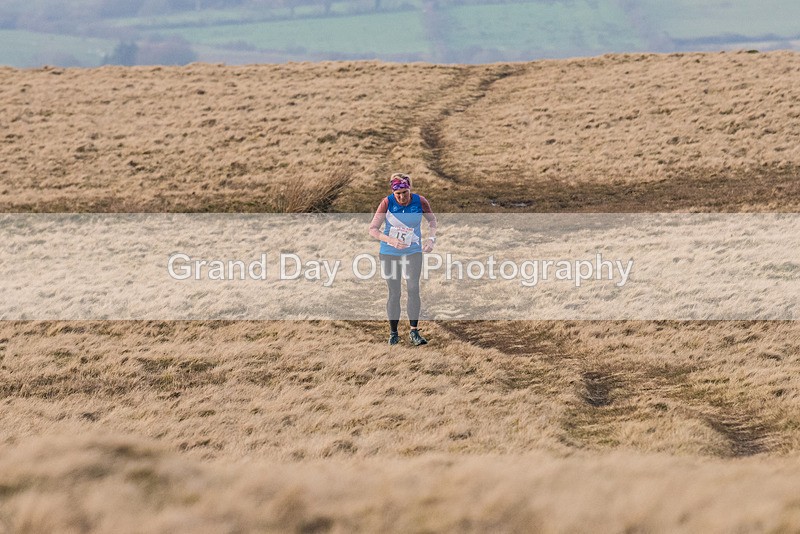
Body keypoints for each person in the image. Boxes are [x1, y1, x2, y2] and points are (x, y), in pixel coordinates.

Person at [368, 173, 437, 346]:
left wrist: (431, 239)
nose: (401, 197)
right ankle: (393, 333)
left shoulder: (420, 201)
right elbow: (373, 229)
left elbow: (432, 220)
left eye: (404, 193)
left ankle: (414, 332)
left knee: (413, 288)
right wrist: (390, 240)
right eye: (398, 194)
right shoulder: (387, 202)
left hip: (413, 252)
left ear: (409, 189)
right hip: (389, 253)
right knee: (395, 292)